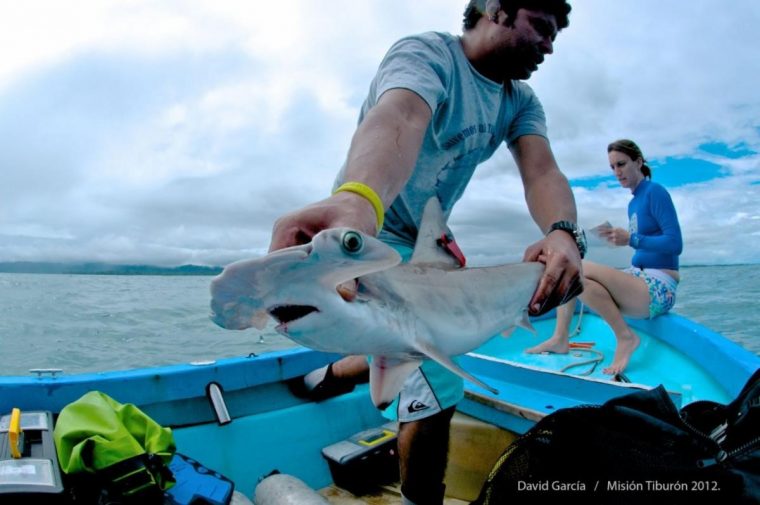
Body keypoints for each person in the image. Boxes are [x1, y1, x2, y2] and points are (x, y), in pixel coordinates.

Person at [269, 1, 580, 503]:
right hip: (371, 230)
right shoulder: (427, 55)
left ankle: (328, 374)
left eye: (555, 35)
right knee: (436, 390)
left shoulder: (520, 100)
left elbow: (542, 171)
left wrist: (564, 231)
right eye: (541, 27)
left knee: (422, 338)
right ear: (496, 10)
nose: (549, 45)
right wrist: (360, 200)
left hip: (429, 237)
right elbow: (402, 115)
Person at [527, 139, 683, 376]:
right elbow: (646, 244)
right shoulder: (633, 203)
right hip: (639, 279)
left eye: (621, 164)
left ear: (638, 162)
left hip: (659, 288)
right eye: (612, 167)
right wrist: (616, 239)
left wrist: (631, 239)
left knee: (572, 264)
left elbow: (675, 243)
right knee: (574, 278)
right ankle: (560, 338)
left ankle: (625, 337)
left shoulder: (655, 192)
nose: (617, 172)